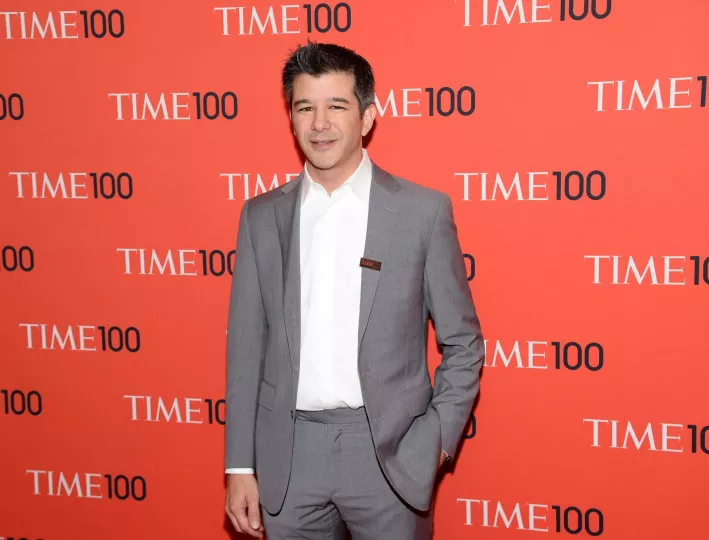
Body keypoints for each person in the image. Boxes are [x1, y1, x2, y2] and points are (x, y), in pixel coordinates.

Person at [223, 41, 484, 539]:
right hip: (288, 458)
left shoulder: (422, 213)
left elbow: (463, 342)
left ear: (366, 117)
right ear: (291, 118)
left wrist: (433, 443)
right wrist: (239, 465)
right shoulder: (260, 217)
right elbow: (246, 349)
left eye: (336, 106)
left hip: (390, 458)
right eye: (305, 107)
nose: (319, 123)